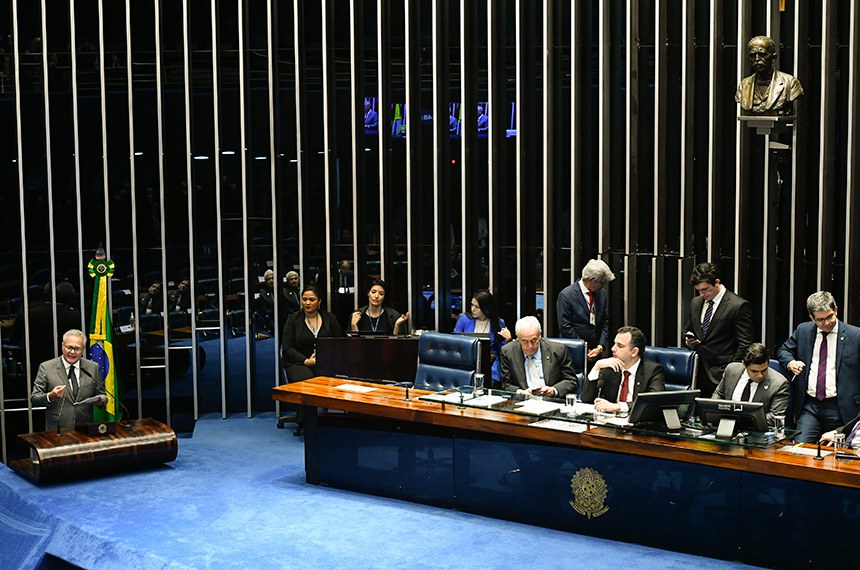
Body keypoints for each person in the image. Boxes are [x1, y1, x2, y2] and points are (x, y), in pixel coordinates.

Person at [777, 291, 860, 443]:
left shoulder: (855, 335)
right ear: (812, 318)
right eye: (821, 320)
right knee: (800, 450)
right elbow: (784, 350)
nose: (827, 323)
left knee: (838, 457)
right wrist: (791, 362)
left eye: (830, 316)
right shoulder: (804, 330)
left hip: (840, 407)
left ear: (836, 309)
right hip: (810, 406)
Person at [683, 262, 754, 398]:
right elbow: (688, 329)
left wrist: (731, 371)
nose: (702, 294)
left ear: (717, 282)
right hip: (697, 371)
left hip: (722, 373)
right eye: (699, 290)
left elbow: (745, 343)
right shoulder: (696, 303)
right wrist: (688, 340)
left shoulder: (737, 305)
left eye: (705, 289)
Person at [281, 285, 344, 435]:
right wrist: (305, 361)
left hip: (325, 362)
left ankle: (322, 419)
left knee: (327, 379)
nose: (307, 303)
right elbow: (287, 347)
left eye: (311, 300)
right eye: (304, 300)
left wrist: (325, 358)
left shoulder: (329, 318)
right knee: (308, 381)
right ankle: (306, 422)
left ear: (319, 302)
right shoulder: (293, 319)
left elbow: (339, 343)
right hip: (298, 362)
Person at [30, 329, 106, 430]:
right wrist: (51, 396)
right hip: (58, 429)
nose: (72, 352)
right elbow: (34, 399)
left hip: (85, 428)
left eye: (77, 349)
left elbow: (101, 395)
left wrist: (101, 400)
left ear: (83, 350)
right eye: (69, 347)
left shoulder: (93, 367)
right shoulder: (47, 367)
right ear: (62, 346)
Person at [581, 326, 665, 414]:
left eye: (620, 346)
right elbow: (586, 399)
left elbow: (654, 402)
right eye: (614, 344)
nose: (613, 349)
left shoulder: (652, 371)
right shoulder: (609, 367)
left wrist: (619, 407)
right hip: (609, 422)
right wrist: (596, 368)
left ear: (634, 352)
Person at [499, 316, 578, 398]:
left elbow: (571, 381)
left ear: (540, 335)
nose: (530, 346)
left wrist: (554, 390)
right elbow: (505, 384)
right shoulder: (508, 352)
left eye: (534, 340)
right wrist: (520, 393)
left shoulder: (558, 350)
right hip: (523, 404)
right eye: (525, 341)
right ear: (518, 338)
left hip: (551, 403)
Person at [713, 343, 789, 425]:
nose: (760, 375)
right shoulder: (731, 370)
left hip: (758, 431)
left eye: (764, 370)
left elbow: (774, 417)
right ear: (744, 365)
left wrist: (740, 421)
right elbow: (719, 394)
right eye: (754, 371)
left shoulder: (779, 384)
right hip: (727, 425)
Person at [556, 259, 616, 361]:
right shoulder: (566, 295)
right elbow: (565, 327)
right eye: (601, 282)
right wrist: (584, 348)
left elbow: (605, 321)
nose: (603, 286)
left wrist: (600, 347)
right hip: (573, 353)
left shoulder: (601, 294)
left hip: (596, 352)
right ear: (591, 279)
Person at [453, 289, 512, 384]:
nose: (473, 309)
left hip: (490, 364)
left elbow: (502, 351)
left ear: (486, 308)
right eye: (472, 305)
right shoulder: (464, 319)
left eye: (477, 307)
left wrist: (508, 339)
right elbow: (455, 343)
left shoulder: (498, 323)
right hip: (466, 360)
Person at [735, 35, 803, 115]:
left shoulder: (790, 83)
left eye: (762, 54)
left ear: (773, 58)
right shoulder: (744, 85)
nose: (757, 59)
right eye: (752, 55)